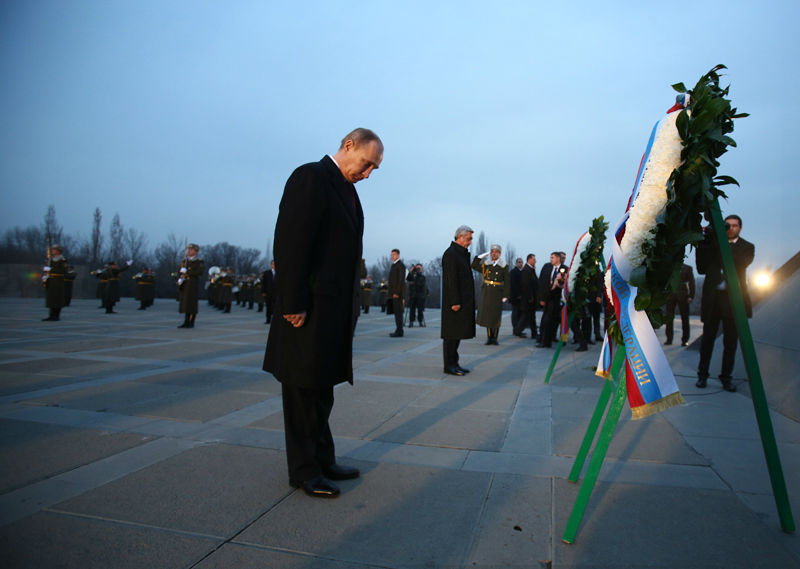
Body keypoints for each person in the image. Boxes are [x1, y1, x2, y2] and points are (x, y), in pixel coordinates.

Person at [263, 127, 383, 498]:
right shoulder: (311, 177)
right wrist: (293, 302)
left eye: (374, 170)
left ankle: (324, 458)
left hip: (332, 312)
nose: (367, 174)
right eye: (366, 164)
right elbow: (291, 242)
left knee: (322, 389)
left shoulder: (346, 190)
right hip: (308, 310)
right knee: (302, 391)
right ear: (348, 146)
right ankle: (304, 470)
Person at [695, 214, 754, 392]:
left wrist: (721, 244)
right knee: (708, 340)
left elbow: (740, 264)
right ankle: (702, 375)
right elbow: (701, 267)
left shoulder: (746, 247)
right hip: (714, 298)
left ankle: (726, 377)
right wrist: (710, 241)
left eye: (734, 226)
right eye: (727, 225)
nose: (731, 228)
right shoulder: (712, 245)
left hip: (733, 299)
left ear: (740, 228)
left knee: (730, 342)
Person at [441, 225, 476, 375]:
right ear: (460, 237)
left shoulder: (460, 254)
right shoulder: (451, 254)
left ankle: (454, 362)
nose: (470, 242)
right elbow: (451, 280)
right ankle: (449, 365)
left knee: (457, 334)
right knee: (451, 335)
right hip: (454, 303)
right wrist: (454, 301)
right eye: (468, 239)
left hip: (462, 301)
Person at [472, 244, 510, 345]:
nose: (494, 254)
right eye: (492, 252)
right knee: (488, 316)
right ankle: (489, 337)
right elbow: (474, 266)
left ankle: (495, 338)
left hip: (497, 292)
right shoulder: (487, 264)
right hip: (487, 292)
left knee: (496, 316)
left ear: (499, 254)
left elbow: (507, 281)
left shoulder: (504, 265)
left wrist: (506, 295)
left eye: (496, 252)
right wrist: (480, 257)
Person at [537, 252, 568, 347]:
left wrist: (558, 282)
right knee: (546, 320)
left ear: (558, 258)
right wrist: (541, 298)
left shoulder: (564, 268)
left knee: (553, 321)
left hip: (557, 299)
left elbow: (563, 283)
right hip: (547, 298)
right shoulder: (547, 267)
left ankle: (549, 340)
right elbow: (542, 283)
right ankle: (544, 340)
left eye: (552, 257)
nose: (551, 259)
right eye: (550, 257)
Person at [664, 263, 695, 346]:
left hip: (683, 296)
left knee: (685, 318)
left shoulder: (687, 268)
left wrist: (691, 295)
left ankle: (685, 339)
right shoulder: (668, 267)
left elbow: (692, 282)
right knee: (669, 317)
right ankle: (669, 339)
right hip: (670, 295)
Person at [178, 243, 204, 328]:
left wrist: (187, 272)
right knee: (185, 303)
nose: (189, 251)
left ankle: (191, 322)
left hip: (192, 284)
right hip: (185, 284)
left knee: (192, 303)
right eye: (188, 250)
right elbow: (181, 272)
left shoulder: (198, 261)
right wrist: (180, 275)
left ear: (196, 251)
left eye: (191, 250)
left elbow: (199, 272)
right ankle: (186, 321)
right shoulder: (185, 261)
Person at [514, 254, 538, 339]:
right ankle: (518, 330)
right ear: (529, 260)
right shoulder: (526, 270)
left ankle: (534, 333)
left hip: (531, 298)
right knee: (526, 316)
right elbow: (526, 285)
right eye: (534, 259)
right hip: (528, 299)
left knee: (531, 317)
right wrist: (530, 296)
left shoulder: (531, 270)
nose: (535, 261)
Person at [42, 244, 68, 321]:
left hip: (58, 281)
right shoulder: (50, 260)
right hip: (51, 280)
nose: (52, 251)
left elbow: (64, 271)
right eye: (52, 249)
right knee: (51, 298)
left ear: (58, 251)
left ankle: (56, 315)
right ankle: (51, 315)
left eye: (54, 249)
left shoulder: (62, 260)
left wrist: (51, 270)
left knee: (57, 299)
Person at [387, 248, 406, 337]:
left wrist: (397, 292)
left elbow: (401, 280)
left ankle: (399, 331)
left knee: (398, 313)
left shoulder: (400, 265)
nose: (392, 256)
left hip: (397, 294)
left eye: (394, 255)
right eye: (391, 255)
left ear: (398, 255)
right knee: (396, 312)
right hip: (393, 293)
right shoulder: (393, 265)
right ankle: (398, 329)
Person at [509, 258, 524, 331]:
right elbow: (513, 284)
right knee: (515, 313)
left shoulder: (522, 272)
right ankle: (515, 328)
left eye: (521, 262)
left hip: (521, 297)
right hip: (515, 297)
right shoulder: (513, 272)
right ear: (516, 263)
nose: (520, 264)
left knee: (520, 313)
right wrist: (518, 294)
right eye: (519, 262)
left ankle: (518, 328)